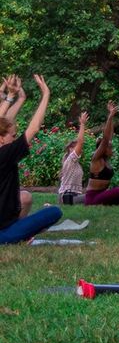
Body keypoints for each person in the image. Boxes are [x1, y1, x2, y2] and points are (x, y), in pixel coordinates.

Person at [0, 73, 63, 244]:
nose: (15, 138)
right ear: (1, 138)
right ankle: (19, 235)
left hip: (6, 224)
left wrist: (16, 97)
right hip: (3, 232)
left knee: (25, 197)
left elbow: (4, 121)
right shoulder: (5, 154)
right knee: (54, 212)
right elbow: (33, 128)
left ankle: (19, 232)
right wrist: (46, 95)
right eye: (13, 136)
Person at [84, 101, 119, 206]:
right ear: (103, 149)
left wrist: (112, 117)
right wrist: (109, 116)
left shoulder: (106, 159)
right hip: (93, 198)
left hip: (102, 195)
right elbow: (106, 138)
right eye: (110, 148)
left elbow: (110, 136)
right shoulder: (97, 158)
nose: (112, 150)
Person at [57, 109, 88, 205]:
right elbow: (80, 141)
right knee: (95, 197)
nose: (80, 149)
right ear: (70, 148)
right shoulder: (71, 159)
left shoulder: (75, 162)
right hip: (67, 197)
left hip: (73, 196)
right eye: (76, 147)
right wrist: (82, 124)